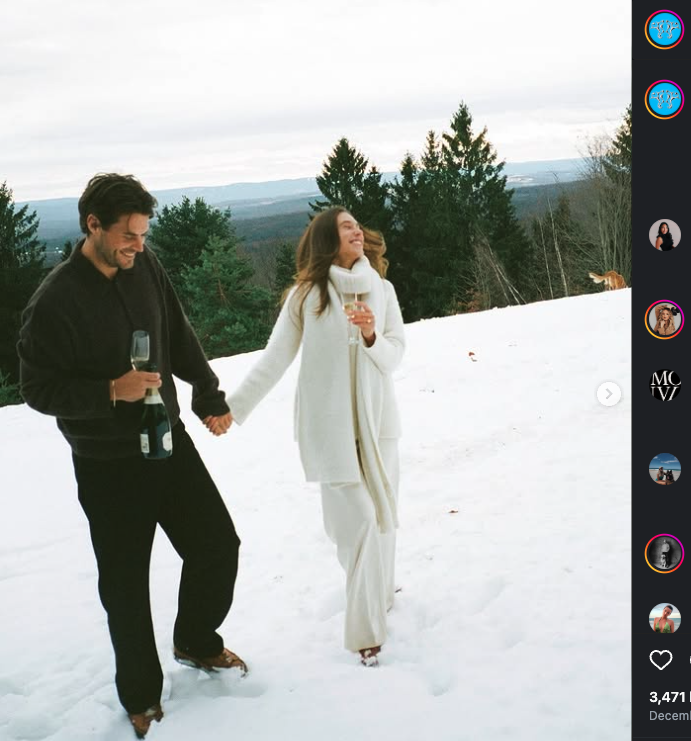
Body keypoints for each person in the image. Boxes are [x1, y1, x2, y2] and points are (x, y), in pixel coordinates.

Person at [18, 174, 247, 739]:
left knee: (217, 545)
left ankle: (195, 641)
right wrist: (108, 392)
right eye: (128, 235)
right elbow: (37, 389)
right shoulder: (55, 300)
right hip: (107, 462)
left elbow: (177, 331)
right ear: (92, 225)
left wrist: (207, 392)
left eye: (144, 234)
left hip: (168, 441)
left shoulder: (145, 265)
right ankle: (141, 695)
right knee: (125, 584)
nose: (138, 245)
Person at [225, 209, 405, 668]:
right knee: (358, 524)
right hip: (330, 432)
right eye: (346, 226)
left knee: (382, 520)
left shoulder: (382, 291)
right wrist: (233, 407)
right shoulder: (306, 297)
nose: (357, 231)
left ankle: (380, 597)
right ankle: (366, 632)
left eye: (357, 225)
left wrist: (370, 334)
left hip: (378, 427)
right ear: (327, 239)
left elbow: (394, 356)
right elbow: (275, 358)